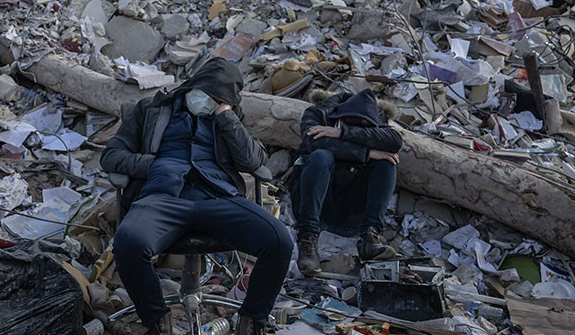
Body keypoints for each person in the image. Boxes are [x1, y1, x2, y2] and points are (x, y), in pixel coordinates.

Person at [102, 57, 293, 335]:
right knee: (128, 243)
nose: (207, 101)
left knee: (279, 242)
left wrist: (226, 117)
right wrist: (151, 165)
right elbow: (112, 156)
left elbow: (253, 162)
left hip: (218, 196)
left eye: (217, 99)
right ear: (192, 86)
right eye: (205, 93)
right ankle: (157, 322)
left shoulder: (228, 118)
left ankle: (250, 322)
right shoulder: (151, 109)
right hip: (163, 196)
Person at [290, 88, 402, 277]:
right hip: (314, 203)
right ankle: (307, 240)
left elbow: (395, 142)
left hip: (349, 212)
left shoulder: (375, 117)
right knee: (321, 156)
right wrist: (367, 152)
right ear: (339, 118)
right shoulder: (317, 113)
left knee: (387, 162)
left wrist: (342, 134)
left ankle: (369, 237)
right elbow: (313, 142)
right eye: (348, 126)